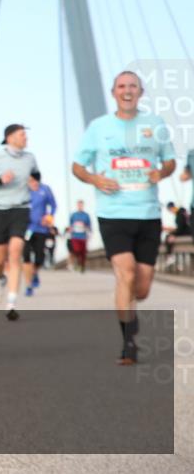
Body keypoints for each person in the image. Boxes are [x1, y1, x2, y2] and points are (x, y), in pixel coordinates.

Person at [72, 71, 175, 365]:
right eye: (121, 86)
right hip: (113, 213)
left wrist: (161, 172)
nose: (127, 90)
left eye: (132, 86)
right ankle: (128, 342)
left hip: (148, 214)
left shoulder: (155, 124)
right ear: (113, 92)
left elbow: (169, 161)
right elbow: (77, 166)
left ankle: (130, 313)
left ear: (140, 92)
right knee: (126, 273)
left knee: (141, 289)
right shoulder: (98, 127)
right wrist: (95, 179)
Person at [0, 124, 39, 321]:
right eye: (22, 135)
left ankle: (11, 303)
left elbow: (36, 174)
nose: (26, 138)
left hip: (21, 209)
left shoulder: (30, 158)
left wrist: (34, 181)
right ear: (10, 138)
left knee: (15, 253)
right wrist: (0, 181)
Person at [24, 172, 56, 296]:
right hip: (26, 229)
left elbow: (53, 206)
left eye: (33, 180)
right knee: (26, 256)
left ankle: (35, 272)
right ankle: (28, 285)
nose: (31, 183)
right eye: (29, 181)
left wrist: (49, 218)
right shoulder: (24, 190)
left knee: (39, 258)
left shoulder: (45, 189)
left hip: (41, 229)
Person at [66, 200, 92, 272]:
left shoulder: (86, 215)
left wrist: (88, 231)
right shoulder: (73, 215)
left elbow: (89, 226)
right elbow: (70, 225)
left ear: (83, 206)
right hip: (75, 236)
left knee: (83, 252)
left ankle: (82, 265)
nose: (80, 206)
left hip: (83, 236)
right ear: (77, 205)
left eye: (81, 205)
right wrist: (70, 231)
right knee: (76, 250)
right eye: (79, 205)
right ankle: (78, 263)